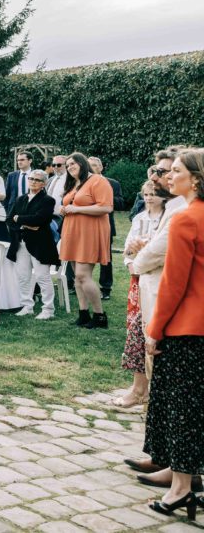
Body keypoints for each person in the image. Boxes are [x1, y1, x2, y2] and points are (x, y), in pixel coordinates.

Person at [141, 147, 204, 521]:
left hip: (185, 327)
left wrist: (154, 330)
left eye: (176, 171)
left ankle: (180, 489)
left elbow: (174, 284)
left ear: (194, 179)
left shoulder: (184, 220)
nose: (168, 177)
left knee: (182, 410)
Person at [124, 148, 192, 487]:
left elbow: (160, 253)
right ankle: (162, 455)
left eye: (170, 171)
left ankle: (178, 469)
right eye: (161, 171)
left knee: (170, 388)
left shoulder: (184, 211)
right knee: (161, 384)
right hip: (159, 297)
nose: (161, 177)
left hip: (172, 306)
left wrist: (137, 261)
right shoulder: (173, 208)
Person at [113, 180, 163, 408]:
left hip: (158, 277)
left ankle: (151, 388)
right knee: (136, 329)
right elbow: (128, 247)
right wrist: (130, 262)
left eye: (154, 194)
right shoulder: (140, 218)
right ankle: (139, 387)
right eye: (146, 194)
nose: (150, 198)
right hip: (138, 278)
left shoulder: (167, 219)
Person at [59, 152, 114, 328]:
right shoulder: (75, 184)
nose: (70, 168)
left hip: (89, 232)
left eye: (73, 164)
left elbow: (106, 207)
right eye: (67, 166)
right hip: (73, 231)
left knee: (83, 275)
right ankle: (83, 313)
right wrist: (65, 209)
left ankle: (100, 315)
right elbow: (72, 204)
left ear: (82, 163)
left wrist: (76, 209)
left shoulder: (98, 180)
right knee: (77, 277)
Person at [5, 169, 59, 319]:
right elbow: (9, 219)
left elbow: (39, 220)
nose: (33, 181)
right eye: (31, 178)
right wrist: (24, 223)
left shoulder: (48, 200)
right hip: (20, 243)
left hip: (40, 244)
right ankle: (27, 306)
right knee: (23, 276)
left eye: (37, 180)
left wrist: (19, 219)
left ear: (44, 184)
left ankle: (48, 309)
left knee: (42, 277)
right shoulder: (20, 199)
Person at [88, 156, 125, 300]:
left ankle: (106, 288)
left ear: (101, 167)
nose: (91, 168)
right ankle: (81, 284)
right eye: (89, 165)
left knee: (105, 258)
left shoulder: (112, 183)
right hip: (85, 225)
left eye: (94, 165)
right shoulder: (81, 183)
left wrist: (104, 198)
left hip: (106, 225)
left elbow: (121, 203)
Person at [4, 150, 35, 216]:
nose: (19, 162)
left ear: (30, 161)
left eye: (22, 160)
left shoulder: (36, 174)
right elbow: (7, 195)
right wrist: (7, 211)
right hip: (13, 211)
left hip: (31, 210)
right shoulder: (11, 175)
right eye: (18, 160)